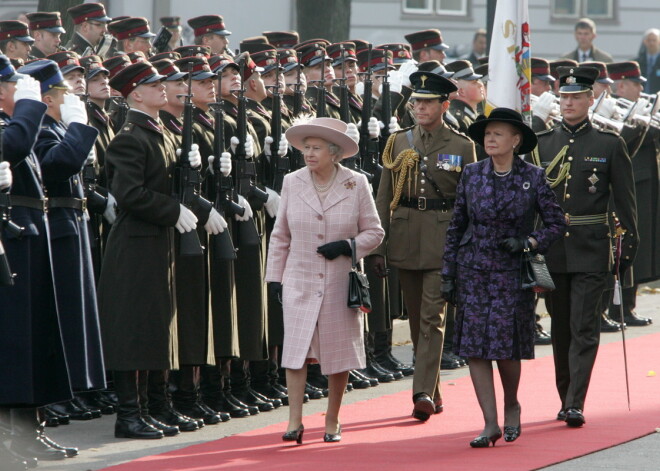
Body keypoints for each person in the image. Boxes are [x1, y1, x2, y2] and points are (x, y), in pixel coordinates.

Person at [441, 108, 566, 447]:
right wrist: (448, 273)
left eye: (498, 134)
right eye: (487, 134)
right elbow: (457, 225)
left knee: (506, 346)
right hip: (473, 270)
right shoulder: (471, 173)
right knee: (474, 348)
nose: (490, 139)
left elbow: (557, 223)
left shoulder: (534, 177)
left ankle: (512, 404)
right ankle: (490, 423)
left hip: (512, 273)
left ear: (516, 140)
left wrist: (530, 240)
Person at [97, 61, 203, 439]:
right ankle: (128, 416)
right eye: (153, 84)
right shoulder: (130, 136)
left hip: (157, 242)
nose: (163, 88)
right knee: (133, 330)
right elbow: (129, 194)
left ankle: (152, 408)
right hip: (136, 245)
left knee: (155, 327)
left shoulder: (159, 132)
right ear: (134, 94)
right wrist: (173, 209)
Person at [265, 117, 384, 444]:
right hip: (299, 278)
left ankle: (333, 418)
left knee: (338, 353)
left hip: (337, 281)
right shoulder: (292, 181)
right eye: (306, 148)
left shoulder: (356, 183)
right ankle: (294, 421)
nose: (309, 153)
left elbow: (375, 232)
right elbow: (280, 235)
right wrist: (275, 277)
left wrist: (348, 246)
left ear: (335, 153)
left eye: (316, 148)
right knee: (295, 351)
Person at [532, 66, 638, 428]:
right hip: (553, 252)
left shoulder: (609, 144)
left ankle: (576, 401)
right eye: (564, 97)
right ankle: (565, 397)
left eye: (576, 97)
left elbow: (625, 201)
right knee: (561, 328)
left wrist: (628, 248)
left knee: (584, 327)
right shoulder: (543, 144)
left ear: (590, 100)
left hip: (593, 248)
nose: (569, 103)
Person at [372, 72, 476, 422]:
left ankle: (419, 393)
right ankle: (433, 390)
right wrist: (376, 248)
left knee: (433, 317)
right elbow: (384, 197)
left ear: (445, 105)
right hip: (404, 236)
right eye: (416, 101)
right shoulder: (398, 141)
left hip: (443, 240)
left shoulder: (462, 146)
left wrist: (468, 247)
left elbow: (469, 202)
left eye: (428, 102)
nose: (419, 107)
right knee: (417, 319)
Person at [0, 55, 75, 466]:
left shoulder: (14, 123)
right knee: (14, 341)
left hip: (28, 235)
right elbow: (12, 145)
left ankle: (31, 432)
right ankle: (12, 439)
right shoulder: (12, 125)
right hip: (12, 240)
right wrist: (31, 107)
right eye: (14, 86)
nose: (22, 92)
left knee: (34, 338)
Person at [636, 28, 660, 93]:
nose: (651, 43)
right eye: (649, 40)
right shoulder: (637, 63)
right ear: (645, 42)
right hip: (641, 97)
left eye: (654, 40)